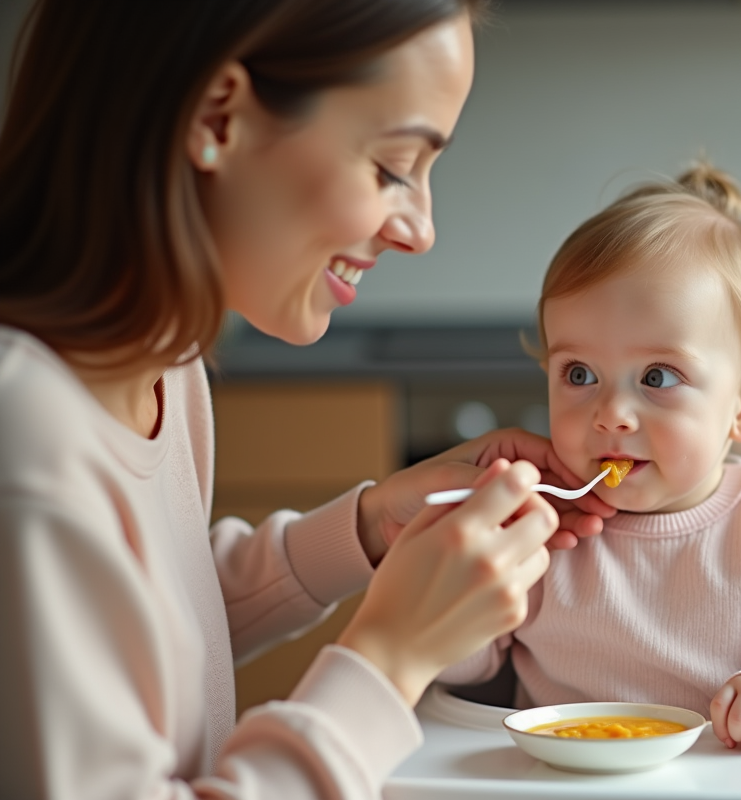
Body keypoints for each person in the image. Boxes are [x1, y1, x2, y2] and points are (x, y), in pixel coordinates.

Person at [0, 1, 616, 798]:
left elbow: (138, 624)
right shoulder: (25, 440)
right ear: (219, 117)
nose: (420, 229)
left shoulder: (164, 364)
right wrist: (390, 657)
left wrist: (368, 529)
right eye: (395, 166)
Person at [437, 163, 741, 751]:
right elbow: (457, 668)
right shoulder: (542, 524)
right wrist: (450, 579)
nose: (611, 413)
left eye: (656, 376)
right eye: (579, 373)